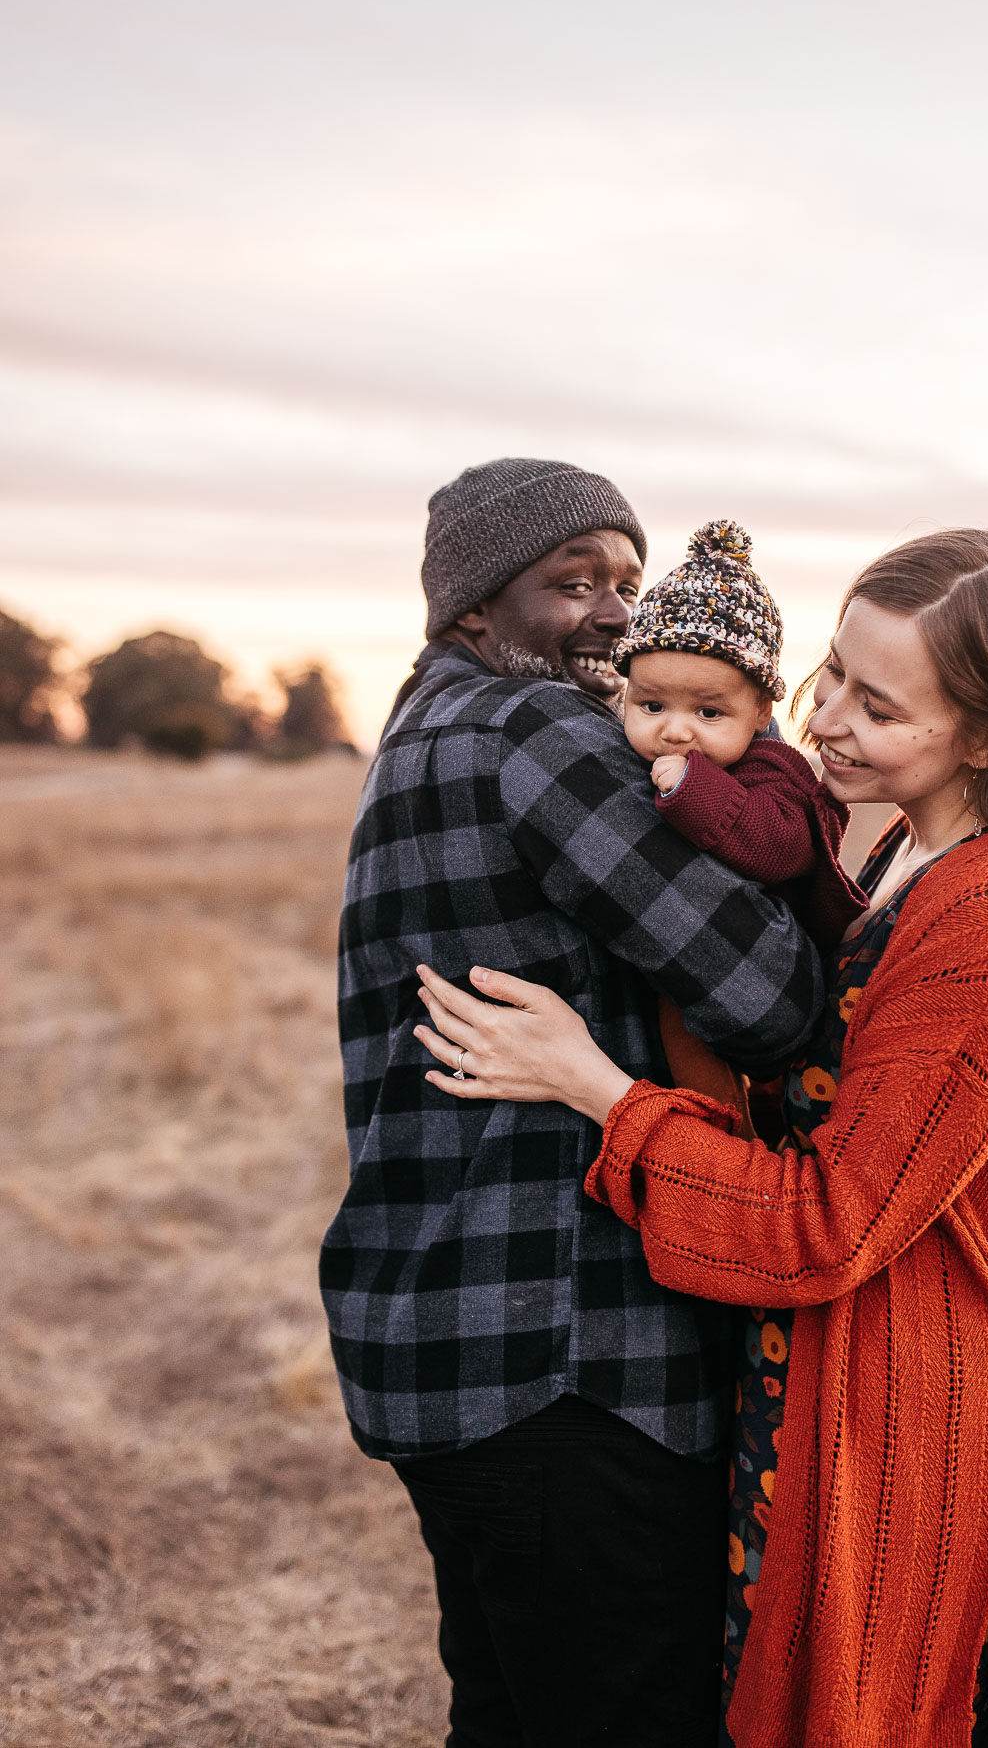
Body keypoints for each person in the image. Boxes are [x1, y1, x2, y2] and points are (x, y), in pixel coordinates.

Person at [413, 528, 988, 1748]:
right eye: (835, 675)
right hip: (843, 1391)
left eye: (882, 705)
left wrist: (596, 1086)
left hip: (916, 1430)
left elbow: (829, 1218)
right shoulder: (914, 851)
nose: (830, 720)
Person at [320, 457, 825, 1748]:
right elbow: (766, 991)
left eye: (625, 577)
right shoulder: (532, 733)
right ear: (474, 610)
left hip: (437, 1334)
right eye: (571, 580)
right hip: (569, 1354)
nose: (612, 611)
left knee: (506, 1708)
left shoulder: (416, 732)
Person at [615, 516, 865, 957]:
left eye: (708, 712)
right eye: (651, 706)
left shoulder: (774, 771)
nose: (674, 732)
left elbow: (783, 849)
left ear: (760, 712)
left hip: (759, 956)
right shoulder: (619, 749)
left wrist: (694, 790)